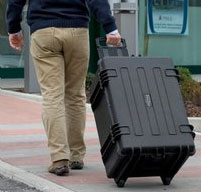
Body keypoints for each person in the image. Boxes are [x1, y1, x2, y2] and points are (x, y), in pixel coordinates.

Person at [6, 0, 121, 176]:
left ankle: (59, 159)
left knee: (53, 95)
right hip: (77, 31)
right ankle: (76, 156)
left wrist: (14, 28)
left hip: (43, 32)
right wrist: (110, 27)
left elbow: (15, 1)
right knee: (75, 95)